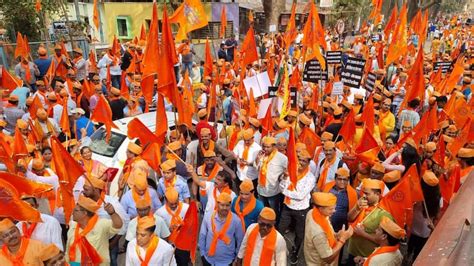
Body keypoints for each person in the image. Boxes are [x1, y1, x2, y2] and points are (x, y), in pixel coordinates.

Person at [279, 149, 316, 263]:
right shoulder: (290, 172)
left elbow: (300, 196)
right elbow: (281, 186)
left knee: (300, 234)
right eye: (299, 159)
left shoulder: (310, 178)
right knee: (280, 229)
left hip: (301, 209)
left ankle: (295, 252)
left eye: (304, 161)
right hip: (287, 206)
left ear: (308, 163)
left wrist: (284, 191)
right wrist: (285, 178)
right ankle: (277, 248)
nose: (300, 162)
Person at [347, 179, 393, 264]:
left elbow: (386, 241)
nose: (363, 195)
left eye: (367, 193)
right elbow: (349, 218)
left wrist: (363, 234)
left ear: (377, 194)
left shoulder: (384, 214)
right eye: (363, 192)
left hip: (366, 257)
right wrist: (357, 208)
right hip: (352, 251)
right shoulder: (362, 203)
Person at [66, 195, 123, 265]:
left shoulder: (101, 224)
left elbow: (118, 225)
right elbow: (68, 250)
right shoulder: (73, 226)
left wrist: (112, 213)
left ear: (84, 213)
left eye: (76, 210)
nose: (72, 212)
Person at [304, 192, 354, 265]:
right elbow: (328, 258)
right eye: (331, 209)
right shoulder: (319, 233)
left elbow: (329, 231)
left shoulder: (312, 212)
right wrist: (342, 239)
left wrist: (336, 235)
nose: (334, 211)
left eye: (334, 208)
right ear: (321, 209)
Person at [198, 192, 244, 265]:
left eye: (227, 205)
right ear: (217, 204)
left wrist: (236, 259)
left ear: (230, 206)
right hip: (208, 259)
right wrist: (202, 254)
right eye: (222, 205)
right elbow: (202, 235)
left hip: (226, 261)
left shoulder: (236, 220)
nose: (224, 208)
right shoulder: (208, 217)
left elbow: (240, 241)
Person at [155, 188, 191, 265]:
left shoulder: (187, 208)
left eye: (176, 203)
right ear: (165, 200)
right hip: (169, 244)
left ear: (179, 198)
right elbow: (158, 232)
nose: (174, 205)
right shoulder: (159, 213)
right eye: (171, 204)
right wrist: (168, 229)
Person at [255, 136, 288, 217]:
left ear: (274, 146)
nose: (265, 149)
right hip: (261, 190)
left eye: (268, 147)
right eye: (264, 146)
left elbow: (287, 171)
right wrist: (257, 159)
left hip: (273, 191)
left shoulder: (282, 158)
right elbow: (256, 168)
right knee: (263, 211)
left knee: (274, 212)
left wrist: (283, 176)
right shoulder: (261, 155)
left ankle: (275, 226)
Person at [322, 167, 358, 232]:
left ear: (348, 181)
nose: (342, 182)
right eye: (339, 179)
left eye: (345, 180)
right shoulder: (328, 187)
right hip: (325, 223)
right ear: (335, 179)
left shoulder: (352, 193)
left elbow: (353, 212)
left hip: (342, 227)